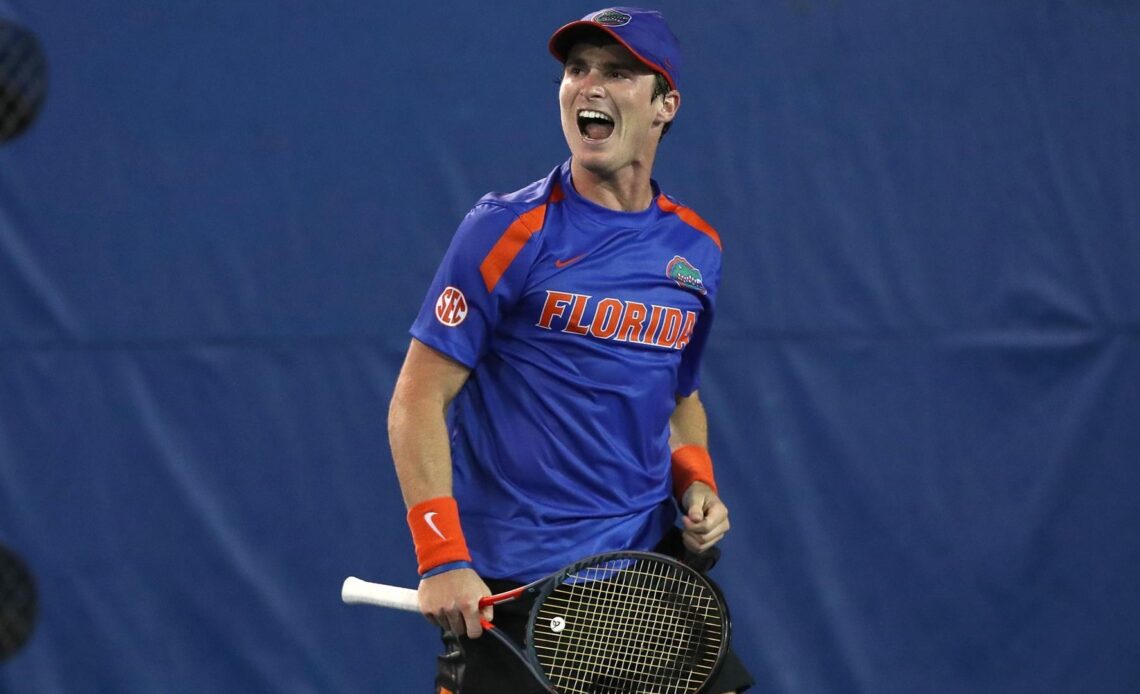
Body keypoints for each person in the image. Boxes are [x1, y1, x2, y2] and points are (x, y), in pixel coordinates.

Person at [388, 7, 754, 693]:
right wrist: (441, 555)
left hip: (647, 575)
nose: (589, 85)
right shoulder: (507, 231)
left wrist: (697, 483)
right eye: (577, 69)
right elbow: (417, 399)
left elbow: (679, 399)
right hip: (513, 590)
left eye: (617, 73)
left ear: (664, 105)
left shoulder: (696, 251)